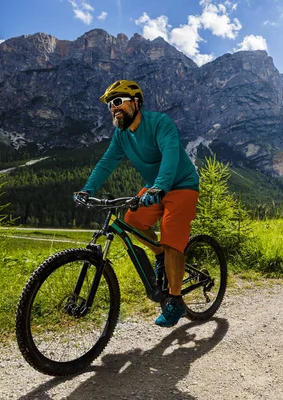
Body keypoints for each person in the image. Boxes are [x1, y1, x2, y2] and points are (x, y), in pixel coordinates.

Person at [75, 79, 200, 327]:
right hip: (155, 187)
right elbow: (106, 163)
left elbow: (170, 155)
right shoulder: (121, 135)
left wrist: (161, 186)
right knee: (132, 221)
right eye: (111, 104)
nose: (114, 108)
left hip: (181, 184)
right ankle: (161, 254)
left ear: (136, 102)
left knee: (171, 233)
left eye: (119, 101)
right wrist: (87, 189)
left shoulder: (160, 123)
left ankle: (176, 302)